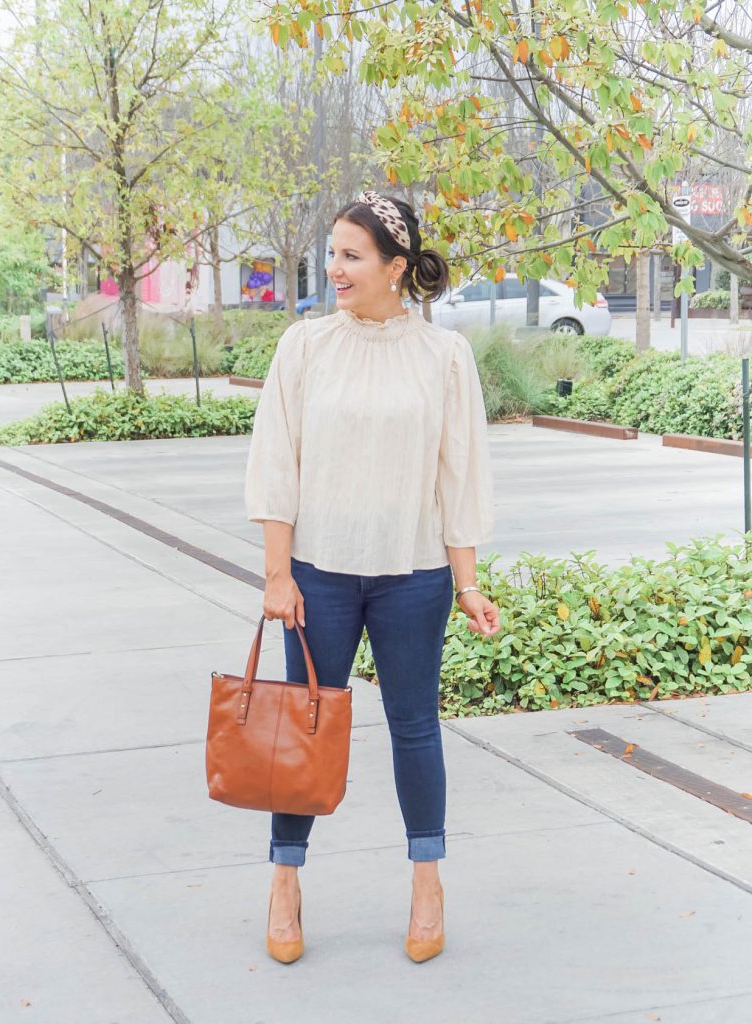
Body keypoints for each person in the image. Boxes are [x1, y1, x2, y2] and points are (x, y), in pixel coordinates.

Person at [243, 190, 501, 965]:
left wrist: (467, 582)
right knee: (303, 729)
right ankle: (284, 884)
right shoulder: (304, 346)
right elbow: (275, 464)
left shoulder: (443, 357)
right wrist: (276, 576)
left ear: (395, 267)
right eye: (332, 252)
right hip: (317, 576)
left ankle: (427, 883)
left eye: (352, 255)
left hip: (413, 575)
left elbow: (460, 475)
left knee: (414, 729)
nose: (335, 267)